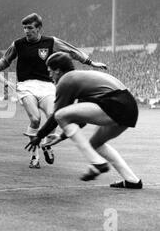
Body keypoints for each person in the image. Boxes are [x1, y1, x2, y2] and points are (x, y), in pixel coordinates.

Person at [0, 13, 107, 169]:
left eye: (30, 27)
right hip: (26, 86)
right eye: (24, 28)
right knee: (35, 119)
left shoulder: (51, 42)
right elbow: (6, 60)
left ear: (39, 28)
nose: (26, 31)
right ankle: (34, 156)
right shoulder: (18, 44)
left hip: (47, 85)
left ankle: (46, 144)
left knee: (55, 116)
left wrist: (90, 62)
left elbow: (71, 51)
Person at [26, 52, 142, 189]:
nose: (50, 76)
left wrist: (39, 136)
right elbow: (81, 121)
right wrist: (61, 137)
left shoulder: (67, 79)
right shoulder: (81, 79)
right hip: (130, 108)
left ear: (58, 70)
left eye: (50, 71)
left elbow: (57, 115)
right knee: (96, 144)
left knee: (60, 115)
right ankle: (132, 181)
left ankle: (97, 162)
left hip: (116, 104)